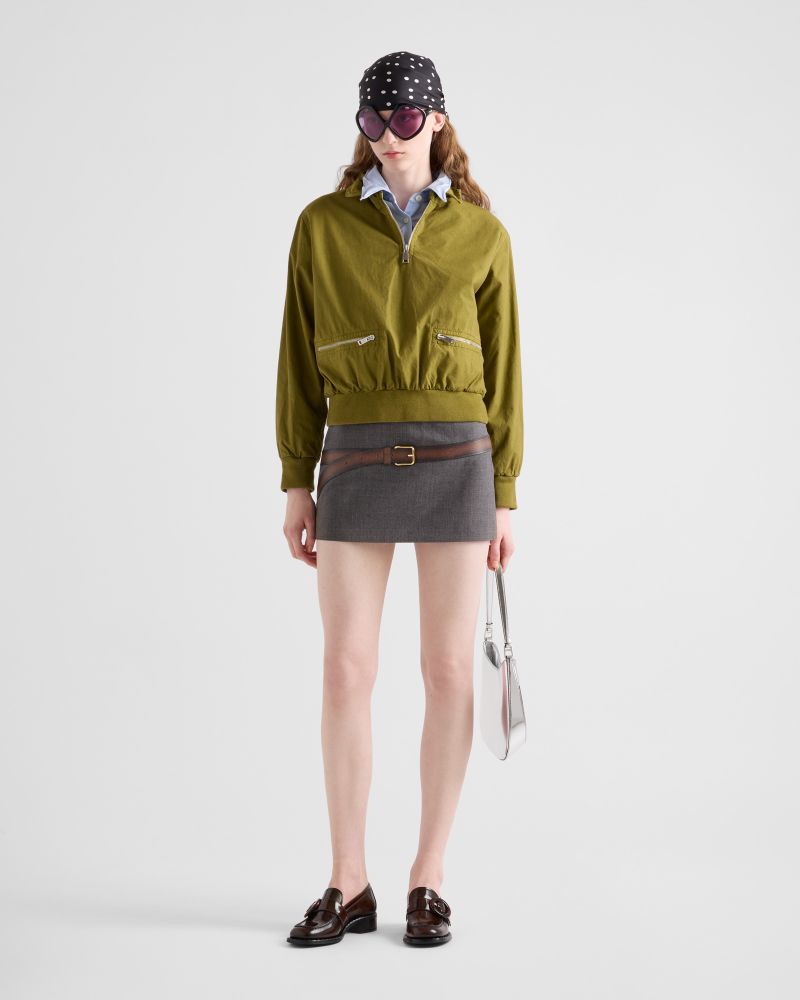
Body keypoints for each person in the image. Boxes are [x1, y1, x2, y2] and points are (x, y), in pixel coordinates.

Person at [276, 50, 524, 947]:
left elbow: (508, 370)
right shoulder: (322, 225)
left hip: (460, 463)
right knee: (346, 670)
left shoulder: (483, 235)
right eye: (373, 120)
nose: (389, 135)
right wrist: (294, 477)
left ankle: (429, 875)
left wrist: (505, 492)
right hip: (352, 458)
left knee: (448, 670)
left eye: (406, 118)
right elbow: (296, 357)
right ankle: (348, 882)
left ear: (438, 121)